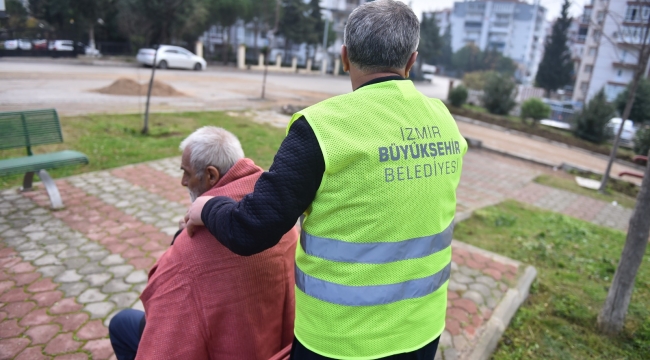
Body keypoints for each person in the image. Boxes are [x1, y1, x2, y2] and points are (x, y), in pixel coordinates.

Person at [185, 1, 468, 359]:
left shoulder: (322, 129)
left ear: (344, 57)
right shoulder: (444, 122)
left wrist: (208, 207)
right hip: (421, 332)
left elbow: (251, 228)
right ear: (412, 61)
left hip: (338, 341)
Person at [109, 127, 298, 360]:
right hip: (278, 345)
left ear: (211, 176)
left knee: (121, 323)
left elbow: (164, 312)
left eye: (186, 172)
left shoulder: (191, 247)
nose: (183, 181)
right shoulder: (279, 216)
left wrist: (179, 241)